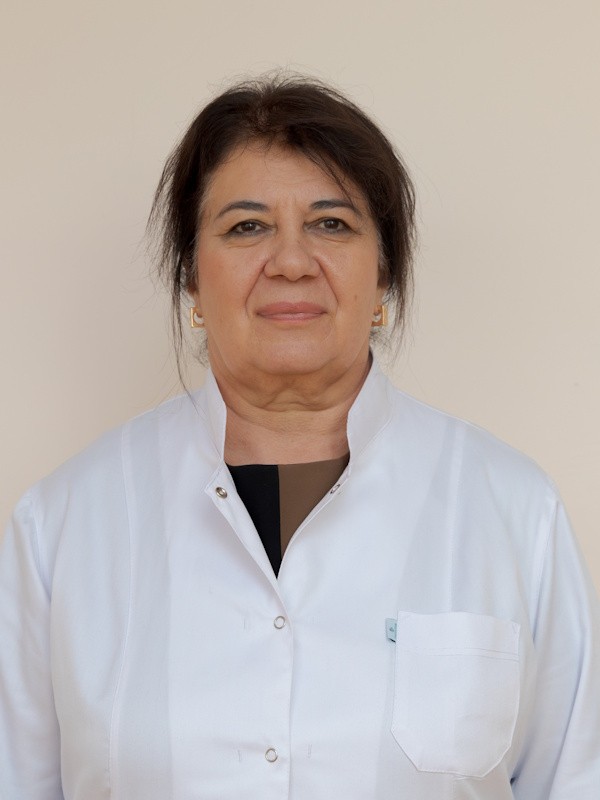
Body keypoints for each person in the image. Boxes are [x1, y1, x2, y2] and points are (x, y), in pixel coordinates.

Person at [1, 75, 599, 800]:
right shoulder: (63, 525)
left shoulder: (513, 512)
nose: (290, 261)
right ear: (192, 279)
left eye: (332, 224)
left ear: (384, 275)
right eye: (246, 227)